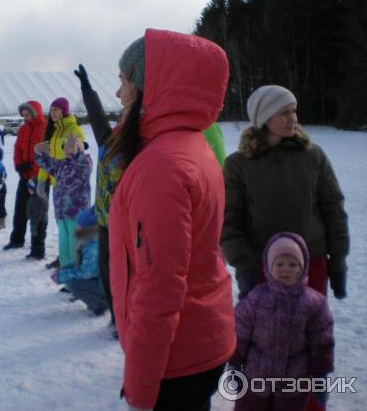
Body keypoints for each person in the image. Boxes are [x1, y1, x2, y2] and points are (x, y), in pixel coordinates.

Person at [107, 29, 236, 410]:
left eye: (124, 82)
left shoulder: (162, 165)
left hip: (177, 359)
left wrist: (141, 391)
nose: (118, 95)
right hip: (199, 341)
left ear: (152, 87)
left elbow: (159, 288)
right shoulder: (189, 144)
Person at [73, 64, 228, 331]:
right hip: (105, 220)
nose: (120, 99)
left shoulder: (140, 142)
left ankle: (130, 323)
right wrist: (87, 90)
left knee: (131, 279)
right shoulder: (111, 141)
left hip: (128, 226)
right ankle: (117, 319)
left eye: (124, 85)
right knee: (110, 276)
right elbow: (98, 120)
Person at [221, 85, 349, 301]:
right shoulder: (238, 165)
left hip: (312, 262)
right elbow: (228, 220)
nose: (293, 119)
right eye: (285, 113)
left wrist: (337, 262)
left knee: (312, 330)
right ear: (265, 119)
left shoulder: (313, 156)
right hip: (263, 265)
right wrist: (244, 267)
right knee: (266, 333)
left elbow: (333, 211)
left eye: (293, 111)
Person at [229, 232, 334, 411]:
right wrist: (234, 363)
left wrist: (320, 374)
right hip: (256, 377)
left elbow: (322, 340)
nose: (286, 269)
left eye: (293, 264)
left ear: (302, 268)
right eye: (280, 264)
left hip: (293, 382)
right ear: (269, 267)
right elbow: (241, 331)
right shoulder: (256, 298)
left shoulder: (314, 304)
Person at [37, 97, 86, 268]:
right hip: (58, 185)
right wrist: (41, 180)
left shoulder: (74, 129)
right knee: (63, 231)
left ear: (64, 111)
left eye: (57, 110)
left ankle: (76, 270)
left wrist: (77, 147)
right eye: (51, 111)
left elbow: (80, 152)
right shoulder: (54, 131)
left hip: (73, 189)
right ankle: (66, 267)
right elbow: (49, 160)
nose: (53, 113)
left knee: (73, 233)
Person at [35, 132, 92, 268]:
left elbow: (83, 163)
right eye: (65, 147)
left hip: (77, 215)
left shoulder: (84, 163)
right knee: (64, 248)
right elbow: (46, 163)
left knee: (75, 248)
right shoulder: (61, 165)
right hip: (62, 214)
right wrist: (37, 151)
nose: (68, 149)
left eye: (72, 146)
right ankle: (68, 281)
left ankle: (77, 281)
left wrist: (77, 152)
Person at [3, 101, 46, 251]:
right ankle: (17, 239)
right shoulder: (23, 129)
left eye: (27, 115)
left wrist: (35, 167)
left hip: (40, 177)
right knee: (20, 209)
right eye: (23, 115)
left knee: (38, 213)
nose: (25, 118)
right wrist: (19, 165)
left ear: (35, 113)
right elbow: (17, 149)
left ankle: (37, 245)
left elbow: (46, 153)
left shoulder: (45, 128)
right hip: (25, 175)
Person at [50, 206, 107, 315]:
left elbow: (87, 273)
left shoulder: (93, 245)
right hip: (101, 281)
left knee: (73, 283)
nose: (76, 227)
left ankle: (101, 304)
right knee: (73, 279)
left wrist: (62, 276)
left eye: (79, 224)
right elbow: (83, 264)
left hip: (105, 285)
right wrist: (65, 268)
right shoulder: (91, 239)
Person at [25, 178, 48, 260]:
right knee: (35, 237)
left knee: (39, 237)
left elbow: (37, 213)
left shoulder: (37, 199)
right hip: (37, 221)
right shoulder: (35, 197)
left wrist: (34, 225)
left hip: (39, 222)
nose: (28, 190)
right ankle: (34, 252)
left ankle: (39, 253)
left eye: (30, 189)